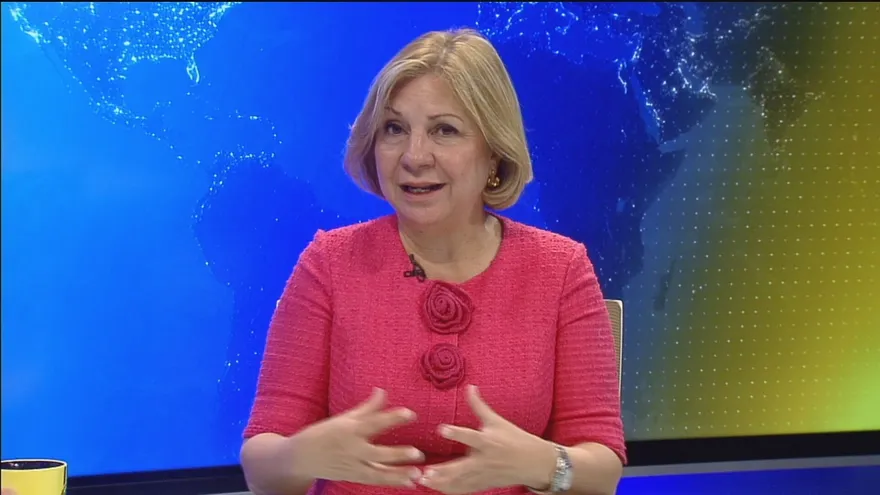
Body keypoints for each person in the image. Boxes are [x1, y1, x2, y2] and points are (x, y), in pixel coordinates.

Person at [239, 28, 626, 495]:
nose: (414, 156)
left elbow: (602, 470)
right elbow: (262, 464)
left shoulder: (560, 269)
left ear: (494, 152)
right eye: (394, 129)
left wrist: (544, 463)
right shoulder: (329, 263)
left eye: (445, 130)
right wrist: (299, 456)